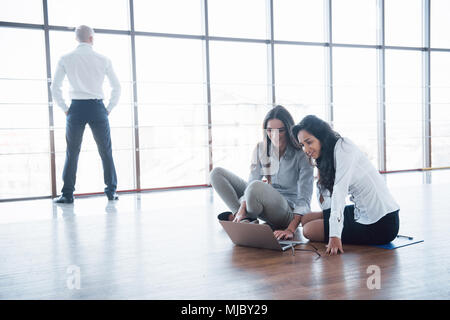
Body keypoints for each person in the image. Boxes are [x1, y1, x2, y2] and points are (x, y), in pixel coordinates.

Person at [290, 115, 400, 255]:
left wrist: (335, 235)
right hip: (361, 212)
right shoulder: (327, 156)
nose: (306, 149)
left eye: (309, 142)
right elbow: (327, 203)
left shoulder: (344, 147)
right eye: (302, 145)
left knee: (308, 230)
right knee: (306, 219)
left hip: (381, 222)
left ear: (321, 136)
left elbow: (339, 192)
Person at [210, 105, 314, 238]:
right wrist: (241, 209)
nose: (275, 136)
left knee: (256, 187)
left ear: (289, 131)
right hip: (259, 200)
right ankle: (242, 219)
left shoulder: (302, 154)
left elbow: (304, 199)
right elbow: (252, 181)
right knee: (217, 173)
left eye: (280, 131)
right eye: (270, 130)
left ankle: (244, 218)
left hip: (287, 210)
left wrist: (290, 229)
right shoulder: (261, 148)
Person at [51, 25, 121, 203]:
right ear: (91, 38)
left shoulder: (66, 58)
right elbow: (117, 87)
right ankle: (111, 192)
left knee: (72, 152)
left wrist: (65, 108)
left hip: (76, 108)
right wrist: (109, 108)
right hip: (98, 108)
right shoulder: (103, 59)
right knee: (106, 151)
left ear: (76, 38)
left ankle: (67, 194)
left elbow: (55, 87)